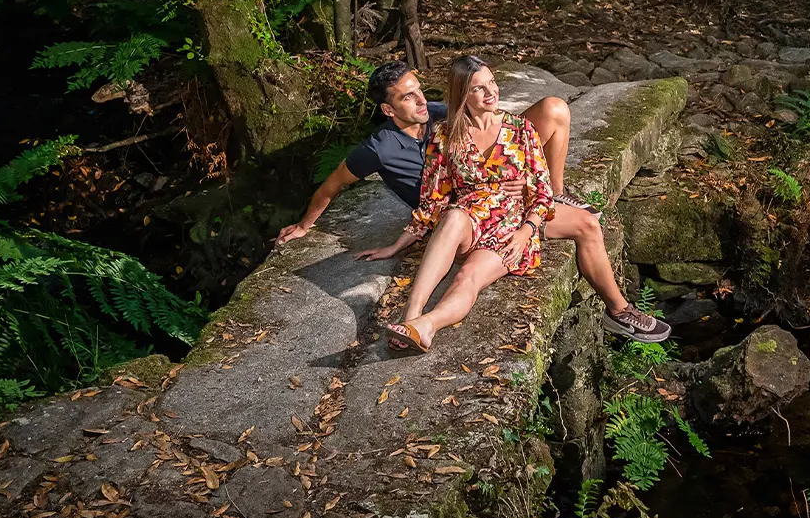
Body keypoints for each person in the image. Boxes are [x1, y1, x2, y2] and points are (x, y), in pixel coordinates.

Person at [274, 59, 669, 346]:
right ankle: (412, 320)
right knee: (455, 224)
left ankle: (619, 311)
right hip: (468, 214)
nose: (421, 101)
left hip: (512, 216)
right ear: (388, 109)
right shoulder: (414, 140)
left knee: (577, 226)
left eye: (419, 91)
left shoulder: (505, 127)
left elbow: (534, 183)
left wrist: (526, 215)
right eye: (408, 97)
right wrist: (313, 226)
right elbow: (430, 195)